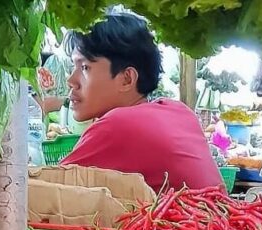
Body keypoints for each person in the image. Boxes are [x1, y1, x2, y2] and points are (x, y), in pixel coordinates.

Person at [60, 13, 222, 191]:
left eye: (84, 68)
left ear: (127, 79)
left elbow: (39, 189)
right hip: (223, 217)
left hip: (194, 218)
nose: (71, 80)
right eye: (73, 67)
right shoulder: (179, 111)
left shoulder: (118, 125)